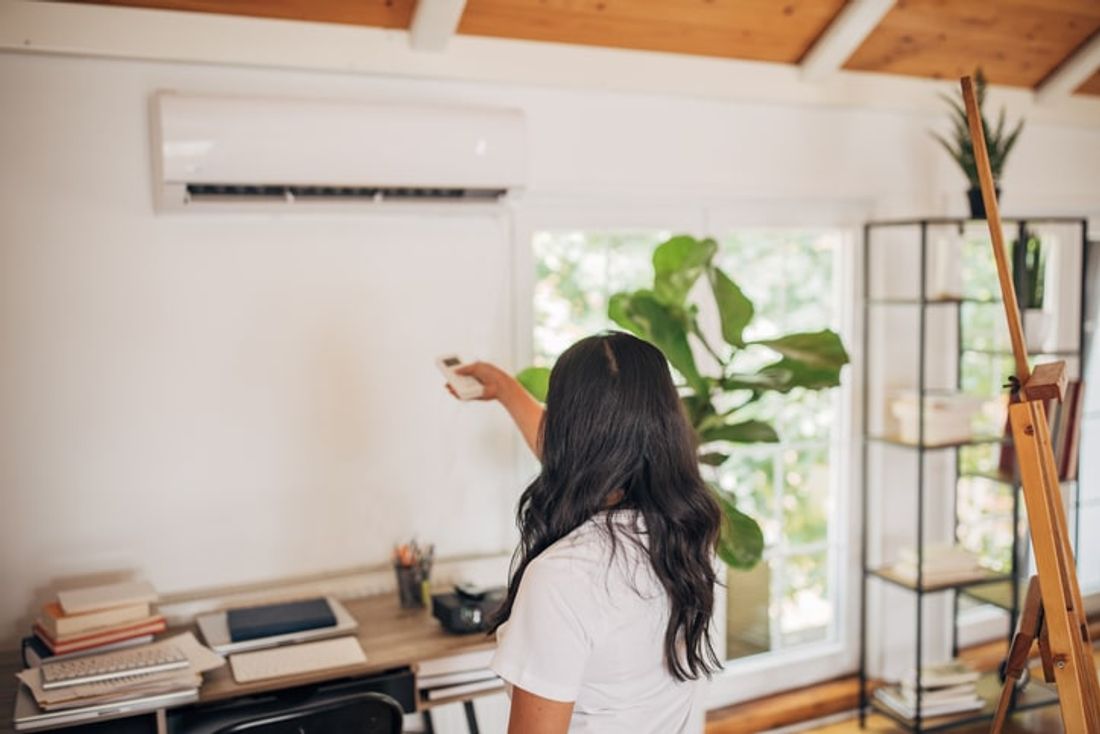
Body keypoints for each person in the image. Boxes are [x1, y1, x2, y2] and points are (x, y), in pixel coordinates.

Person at [451, 332, 721, 734]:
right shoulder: (686, 536)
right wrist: (507, 390)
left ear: (567, 434)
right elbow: (599, 454)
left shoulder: (562, 578)